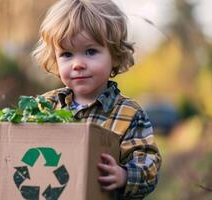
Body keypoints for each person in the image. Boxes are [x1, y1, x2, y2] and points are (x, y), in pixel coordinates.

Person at [32, 0, 162, 199]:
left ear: (115, 56)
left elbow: (149, 163)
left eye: (90, 51)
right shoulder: (44, 107)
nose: (77, 64)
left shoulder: (129, 114)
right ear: (55, 59)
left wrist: (125, 175)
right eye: (66, 54)